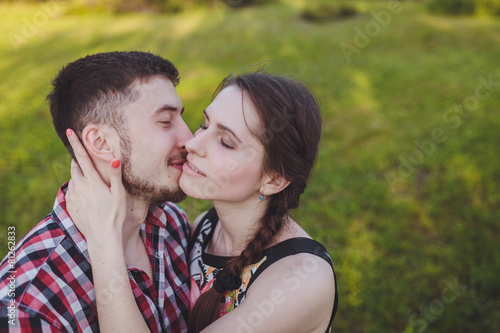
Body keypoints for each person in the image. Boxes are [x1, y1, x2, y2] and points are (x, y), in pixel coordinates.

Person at [65, 70, 338, 332]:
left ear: (274, 179)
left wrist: (103, 242)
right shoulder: (204, 229)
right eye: (205, 125)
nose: (191, 144)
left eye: (226, 143)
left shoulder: (301, 280)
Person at [0, 51, 193, 332]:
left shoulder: (171, 224)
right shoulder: (28, 305)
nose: (190, 139)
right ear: (101, 142)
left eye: (181, 118)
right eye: (165, 121)